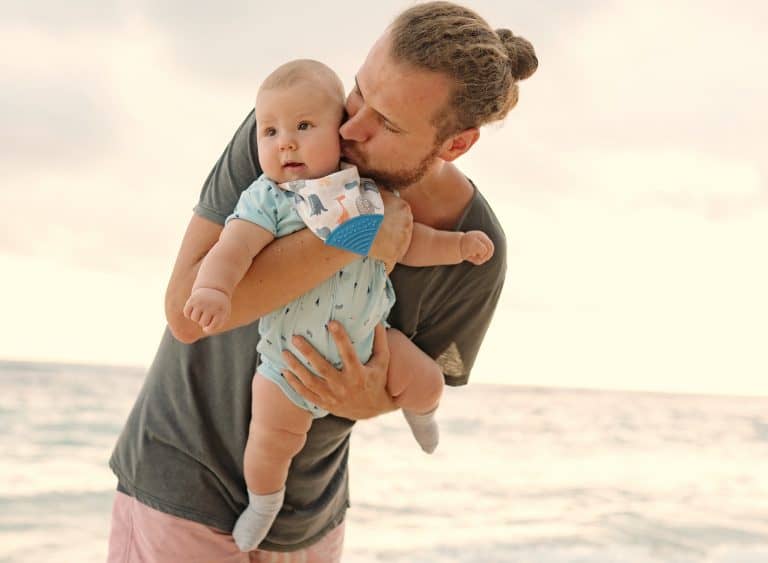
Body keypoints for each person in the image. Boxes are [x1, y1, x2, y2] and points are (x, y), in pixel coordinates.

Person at [108, 2, 538, 561]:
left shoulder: (476, 246)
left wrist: (371, 402)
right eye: (360, 92)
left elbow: (409, 381)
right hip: (178, 490)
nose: (351, 127)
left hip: (312, 517)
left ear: (455, 144)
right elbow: (185, 315)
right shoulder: (290, 128)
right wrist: (353, 237)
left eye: (387, 122)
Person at [182, 58, 494, 551]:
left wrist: (455, 248)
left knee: (427, 380)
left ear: (337, 133)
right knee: (269, 442)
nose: (285, 141)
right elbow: (232, 249)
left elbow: (407, 243)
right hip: (288, 358)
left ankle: (422, 414)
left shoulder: (365, 190)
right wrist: (213, 291)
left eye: (304, 127)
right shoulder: (268, 199)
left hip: (370, 336)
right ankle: (263, 502)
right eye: (270, 132)